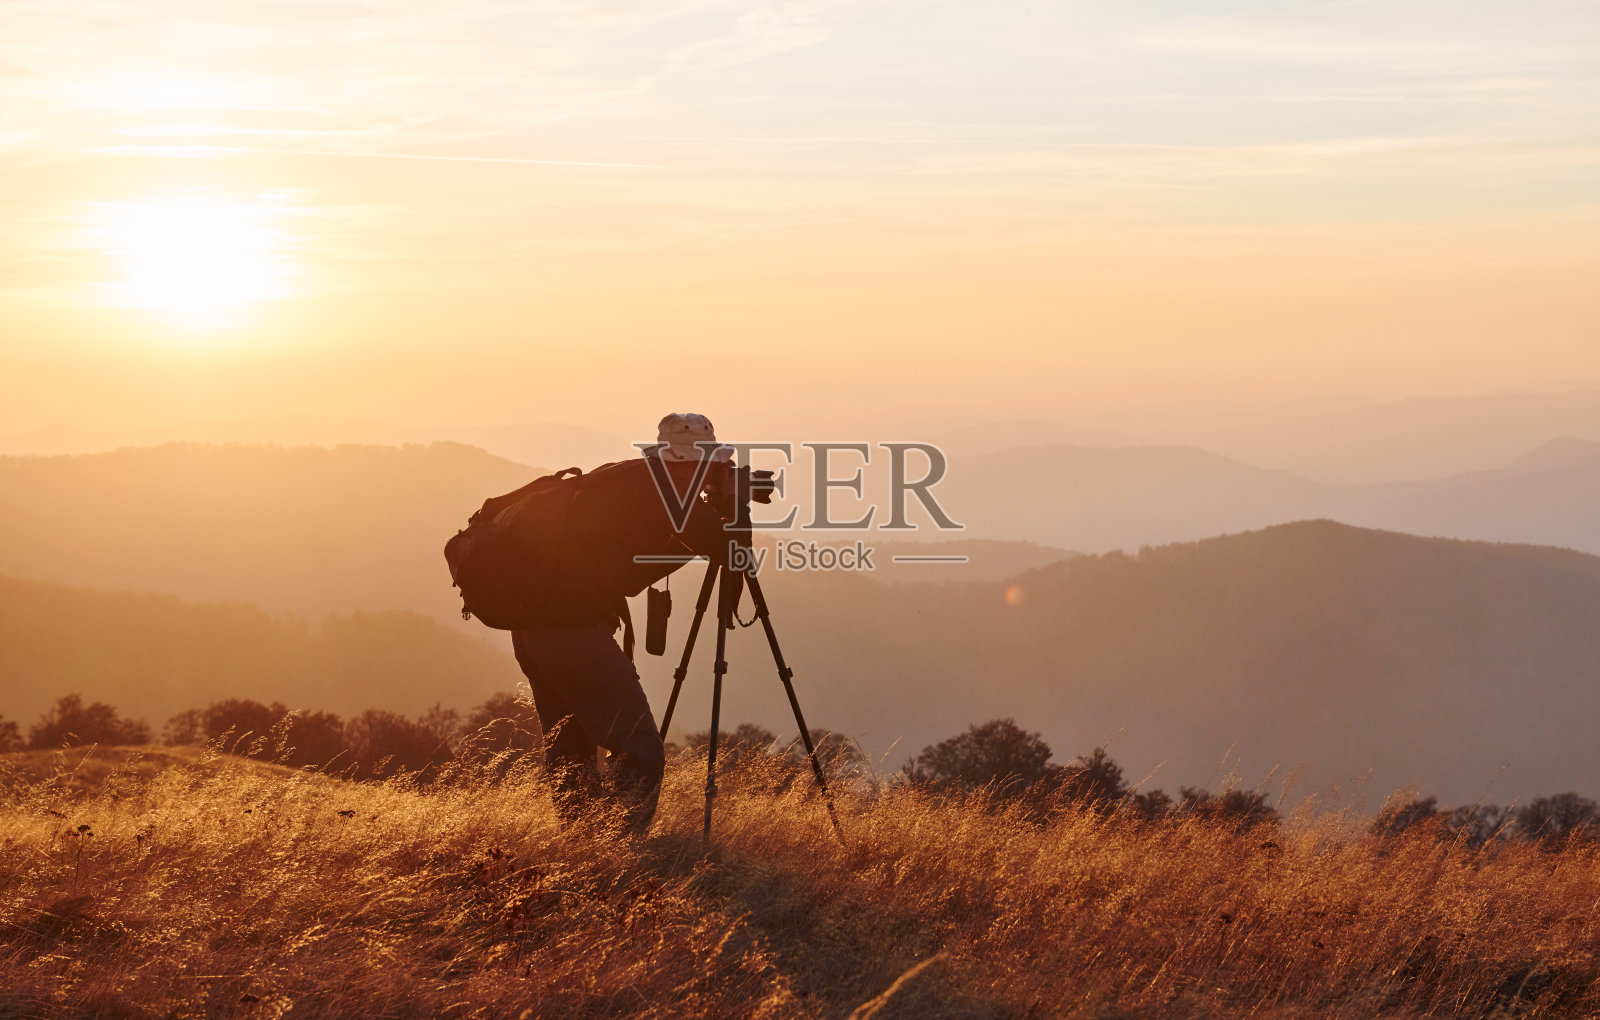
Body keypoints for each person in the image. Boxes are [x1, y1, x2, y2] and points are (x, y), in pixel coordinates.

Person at [510, 412, 739, 835]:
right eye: (709, 463)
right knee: (641, 749)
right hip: (573, 633)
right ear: (692, 461)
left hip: (534, 630)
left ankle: (584, 851)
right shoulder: (668, 490)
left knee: (572, 748)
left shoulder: (629, 478)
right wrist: (732, 502)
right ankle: (620, 848)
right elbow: (728, 549)